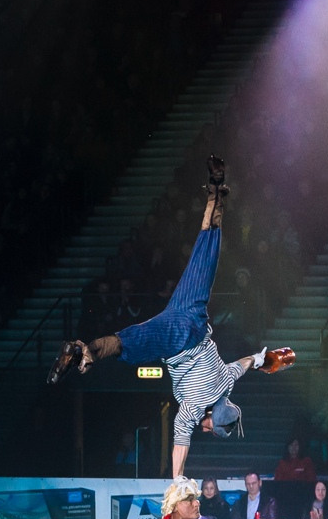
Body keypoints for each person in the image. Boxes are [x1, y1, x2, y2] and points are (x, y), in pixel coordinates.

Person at [47, 155, 295, 477]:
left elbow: (246, 362)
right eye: (210, 428)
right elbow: (181, 445)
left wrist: (267, 360)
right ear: (211, 418)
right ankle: (85, 351)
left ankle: (215, 191)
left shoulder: (227, 383)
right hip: (176, 339)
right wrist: (177, 482)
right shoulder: (193, 409)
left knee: (206, 250)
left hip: (192, 313)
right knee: (126, 343)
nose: (205, 430)